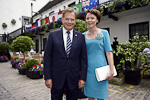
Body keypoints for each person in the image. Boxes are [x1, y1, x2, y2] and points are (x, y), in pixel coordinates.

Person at [44, 7, 87, 100]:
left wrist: (82, 78)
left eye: (72, 19)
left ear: (75, 21)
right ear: (62, 20)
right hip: (56, 78)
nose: (69, 22)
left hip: (74, 78)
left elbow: (83, 59)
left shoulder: (81, 37)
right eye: (67, 19)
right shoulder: (52, 35)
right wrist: (47, 77)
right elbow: (47, 57)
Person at [83, 9, 114, 100]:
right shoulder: (82, 35)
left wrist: (111, 70)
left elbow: (109, 52)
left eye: (92, 18)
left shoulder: (104, 33)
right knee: (90, 95)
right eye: (87, 18)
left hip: (101, 69)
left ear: (97, 20)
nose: (89, 20)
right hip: (88, 69)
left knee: (101, 96)